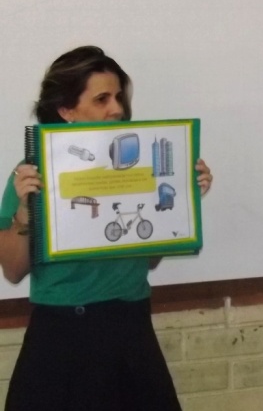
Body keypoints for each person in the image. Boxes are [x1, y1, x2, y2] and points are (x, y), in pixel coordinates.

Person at [0, 46, 213, 411]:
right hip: (61, 335)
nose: (117, 109)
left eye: (118, 98)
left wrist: (181, 202)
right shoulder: (32, 172)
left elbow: (148, 260)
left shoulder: (140, 165)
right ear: (66, 110)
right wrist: (24, 213)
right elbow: (13, 270)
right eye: (102, 99)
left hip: (129, 326)